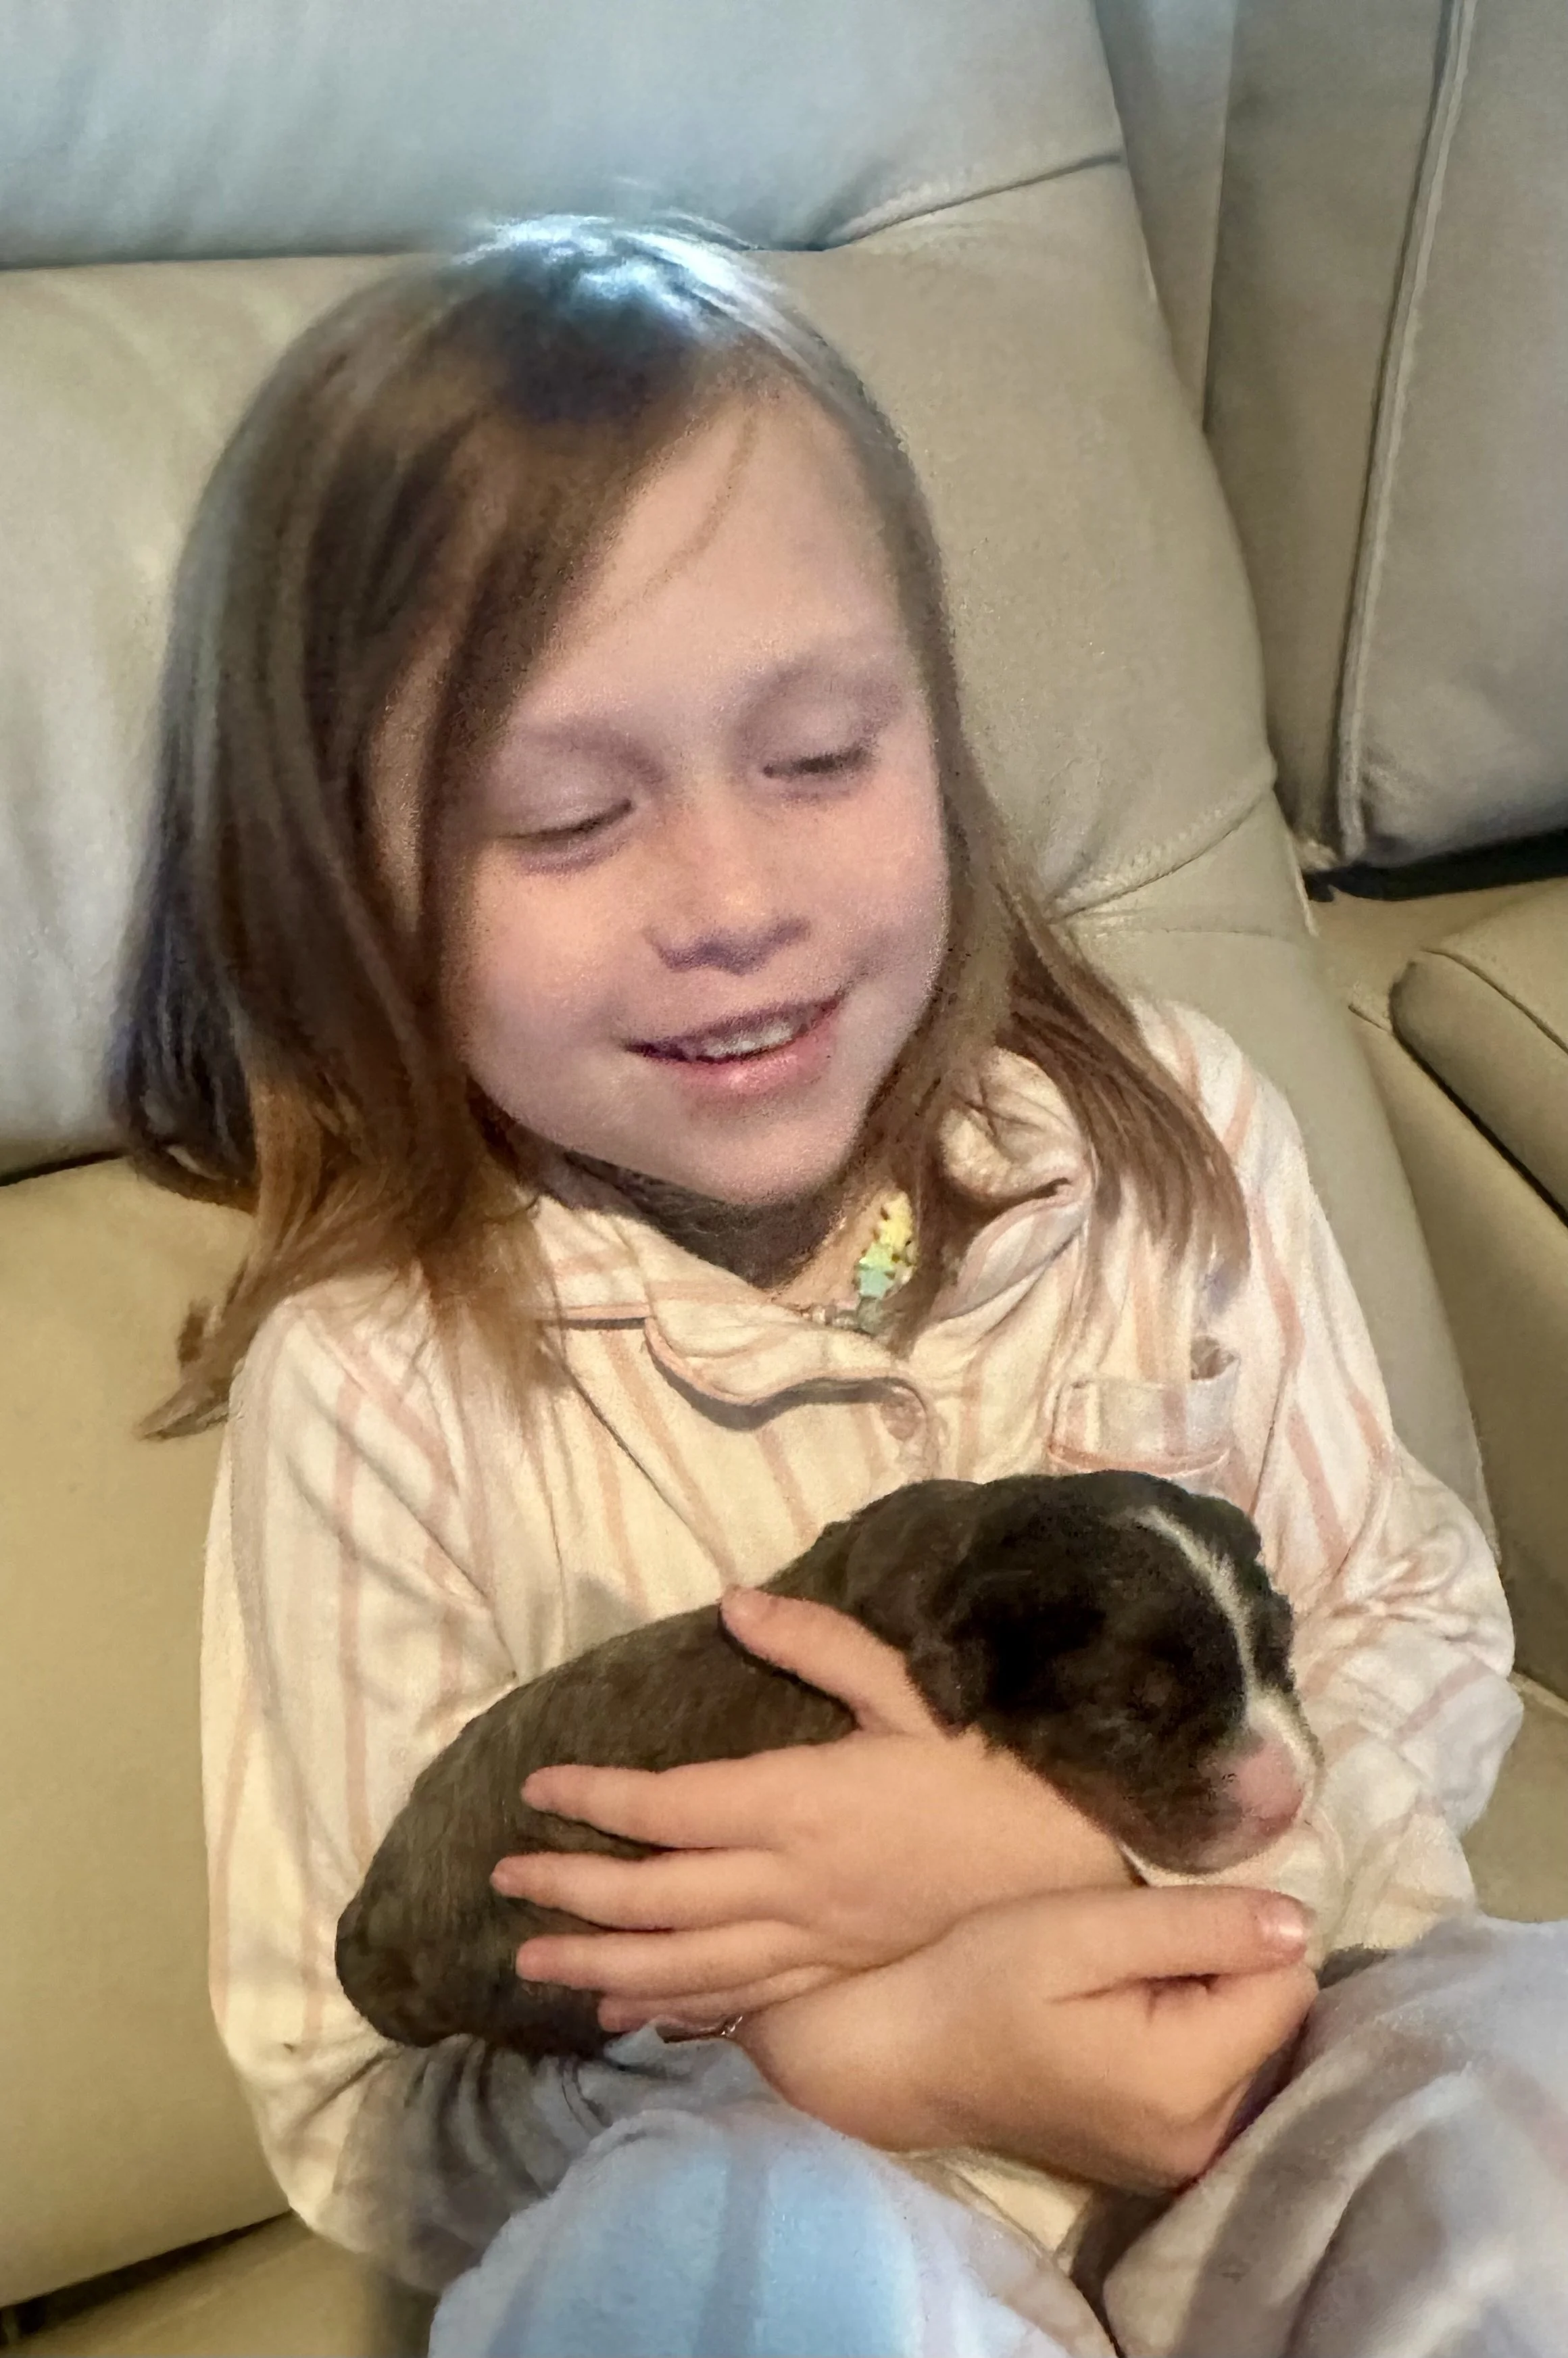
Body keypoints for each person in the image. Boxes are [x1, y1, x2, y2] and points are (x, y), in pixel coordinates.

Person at [110, 218, 1563, 2357]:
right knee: (723, 2278)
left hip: (1282, 2068)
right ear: (343, 888)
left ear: (939, 736)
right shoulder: (385, 1383)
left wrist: (1081, 1870)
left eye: (818, 758)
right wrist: (844, 2056)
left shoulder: (1167, 1133)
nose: (735, 900)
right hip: (811, 2184)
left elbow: (1416, 1619)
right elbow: (365, 2095)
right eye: (570, 815)